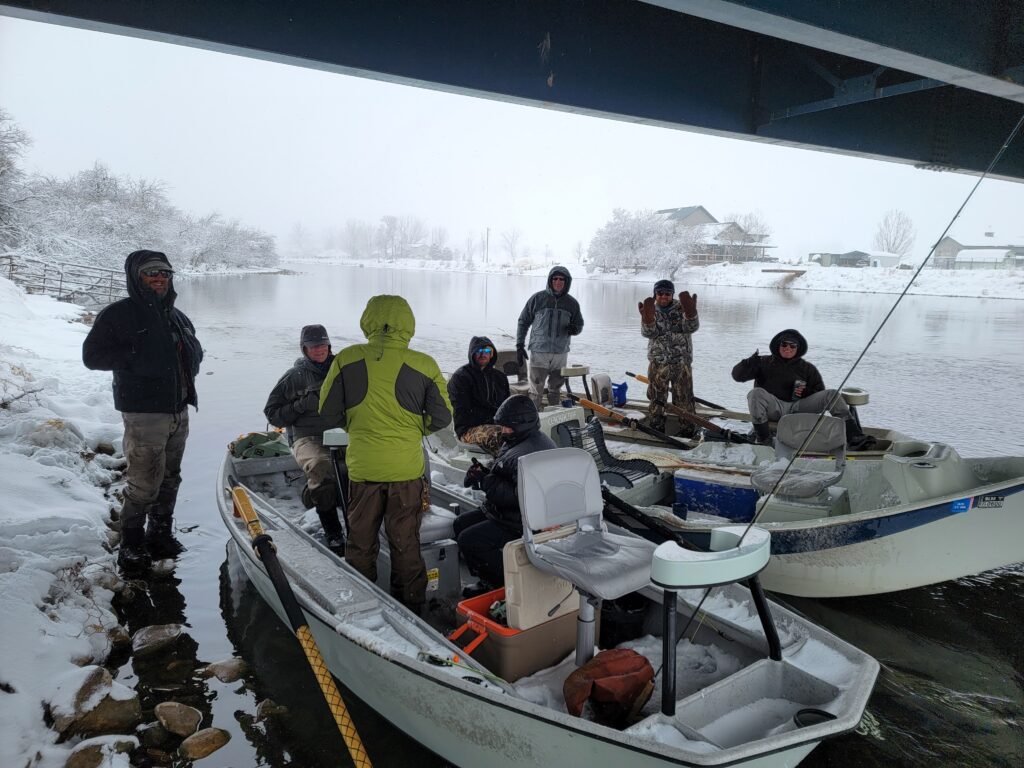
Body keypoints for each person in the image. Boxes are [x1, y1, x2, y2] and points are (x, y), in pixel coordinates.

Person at [319, 295, 452, 613]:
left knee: (361, 542)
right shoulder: (425, 364)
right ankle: (412, 608)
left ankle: (363, 609)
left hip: (364, 470)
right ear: (408, 323)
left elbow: (327, 411)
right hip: (406, 472)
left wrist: (356, 424)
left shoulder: (346, 359)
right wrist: (414, 429)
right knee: (406, 543)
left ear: (368, 320)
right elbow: (442, 417)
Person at [82, 250, 203, 573]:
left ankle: (160, 534)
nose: (159, 278)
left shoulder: (176, 316)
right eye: (152, 273)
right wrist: (135, 355)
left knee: (171, 477)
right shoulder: (119, 315)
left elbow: (192, 351)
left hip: (178, 410)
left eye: (164, 273)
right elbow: (92, 357)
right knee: (144, 482)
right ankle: (132, 544)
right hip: (144, 413)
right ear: (137, 277)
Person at [453, 395, 557, 595]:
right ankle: (485, 576)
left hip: (522, 521)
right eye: (502, 426)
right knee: (460, 524)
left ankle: (503, 587)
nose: (503, 431)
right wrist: (482, 473)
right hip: (502, 512)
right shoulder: (519, 439)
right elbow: (504, 471)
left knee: (470, 540)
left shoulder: (529, 453)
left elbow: (521, 498)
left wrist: (484, 482)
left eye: (507, 427)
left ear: (523, 424)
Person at [264, 324, 346, 554]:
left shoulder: (344, 370)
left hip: (342, 433)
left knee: (363, 465)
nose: (319, 349)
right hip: (307, 436)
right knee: (322, 465)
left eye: (323, 344)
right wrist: (302, 404)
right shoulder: (294, 377)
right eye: (313, 346)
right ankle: (334, 532)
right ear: (304, 349)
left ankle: (360, 520)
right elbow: (272, 415)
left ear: (329, 345)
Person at [731, 328, 872, 448]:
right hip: (774, 408)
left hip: (798, 407)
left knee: (832, 394)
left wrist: (806, 392)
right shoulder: (762, 362)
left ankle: (854, 435)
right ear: (778, 345)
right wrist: (747, 363)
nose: (788, 348)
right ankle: (763, 439)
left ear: (798, 349)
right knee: (755, 394)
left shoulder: (808, 368)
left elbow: (820, 393)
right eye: (784, 344)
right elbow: (737, 376)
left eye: (792, 346)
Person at [516, 266, 584, 410]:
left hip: (560, 354)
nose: (558, 282)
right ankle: (533, 421)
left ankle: (554, 418)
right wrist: (519, 345)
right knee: (536, 390)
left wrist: (575, 329)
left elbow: (579, 324)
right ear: (550, 280)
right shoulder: (537, 299)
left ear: (566, 282)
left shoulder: (572, 303)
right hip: (539, 352)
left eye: (562, 279)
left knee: (555, 389)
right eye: (555, 278)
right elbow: (523, 321)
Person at [639, 279, 700, 437]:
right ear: (655, 294)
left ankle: (687, 433)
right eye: (660, 293)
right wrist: (647, 320)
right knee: (657, 399)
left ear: (672, 294)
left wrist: (691, 314)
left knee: (684, 400)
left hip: (681, 363)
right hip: (658, 363)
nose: (664, 297)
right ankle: (656, 431)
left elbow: (691, 328)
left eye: (668, 293)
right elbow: (648, 333)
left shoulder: (682, 307)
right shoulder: (650, 308)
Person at [447, 335, 511, 456]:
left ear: (492, 354)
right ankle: (504, 468)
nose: (483, 354)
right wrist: (494, 420)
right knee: (502, 436)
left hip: (497, 424)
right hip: (468, 429)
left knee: (525, 432)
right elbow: (463, 411)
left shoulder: (500, 377)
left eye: (487, 351)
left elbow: (508, 406)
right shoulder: (461, 377)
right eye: (479, 351)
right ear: (472, 353)